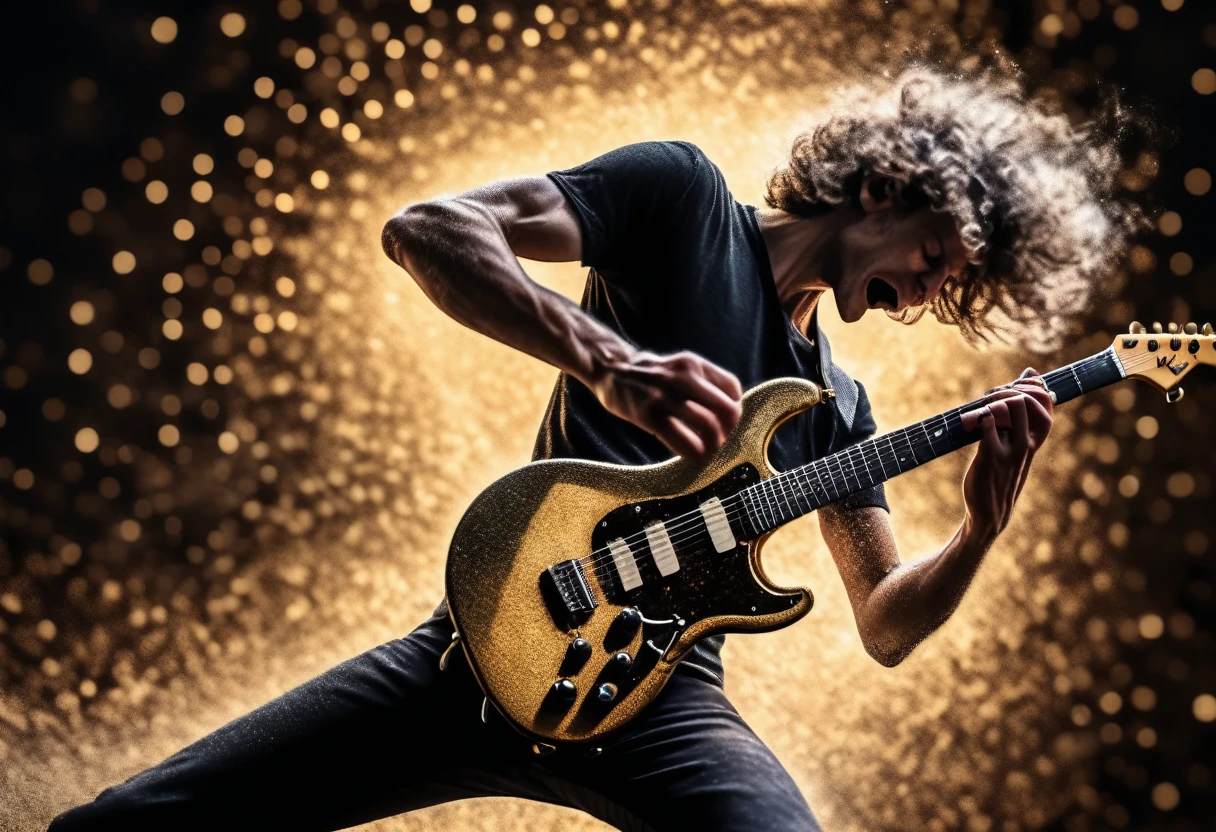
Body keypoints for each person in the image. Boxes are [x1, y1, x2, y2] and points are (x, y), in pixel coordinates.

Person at [50, 67, 1137, 832]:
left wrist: (981, 526)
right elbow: (432, 227)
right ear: (885, 187)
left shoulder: (837, 406)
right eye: (938, 253)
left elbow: (885, 624)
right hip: (478, 646)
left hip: (664, 704)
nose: (936, 290)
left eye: (956, 285)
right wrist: (607, 361)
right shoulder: (681, 199)